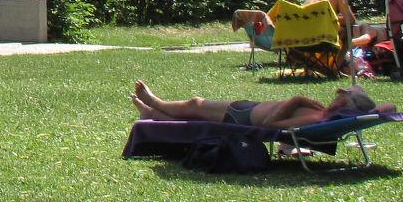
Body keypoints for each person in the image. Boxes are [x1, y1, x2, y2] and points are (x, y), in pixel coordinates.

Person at [131, 78, 385, 130]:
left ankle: (155, 103)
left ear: (346, 102)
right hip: (247, 108)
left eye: (343, 94)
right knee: (196, 114)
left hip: (244, 118)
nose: (337, 93)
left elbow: (272, 124)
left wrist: (296, 99)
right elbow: (390, 108)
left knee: (196, 105)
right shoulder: (324, 113)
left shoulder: (317, 119)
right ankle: (151, 112)